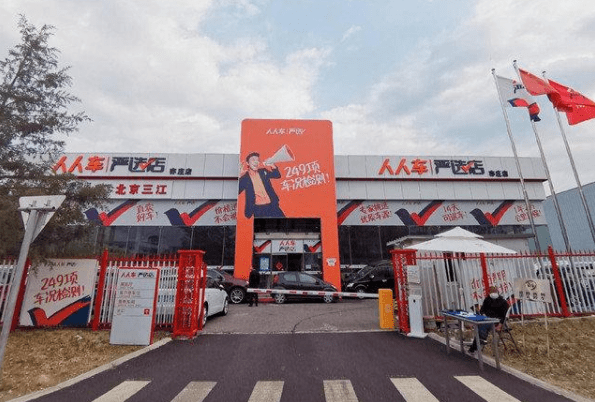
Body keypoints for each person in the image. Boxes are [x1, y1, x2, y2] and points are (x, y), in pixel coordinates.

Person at [238, 152, 285, 218]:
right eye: (253, 160)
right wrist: (239, 176)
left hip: (272, 206)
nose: (256, 162)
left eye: (258, 160)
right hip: (259, 209)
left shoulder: (263, 171)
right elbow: (237, 191)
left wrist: (272, 165)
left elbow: (277, 175)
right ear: (247, 163)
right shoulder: (245, 178)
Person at [468, 285, 509, 353]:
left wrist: (500, 325)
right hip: (486, 318)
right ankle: (478, 342)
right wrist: (483, 314)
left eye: (494, 291)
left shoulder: (503, 302)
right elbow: (482, 310)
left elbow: (503, 316)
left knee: (482, 326)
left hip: (495, 320)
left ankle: (478, 342)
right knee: (479, 323)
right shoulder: (487, 300)